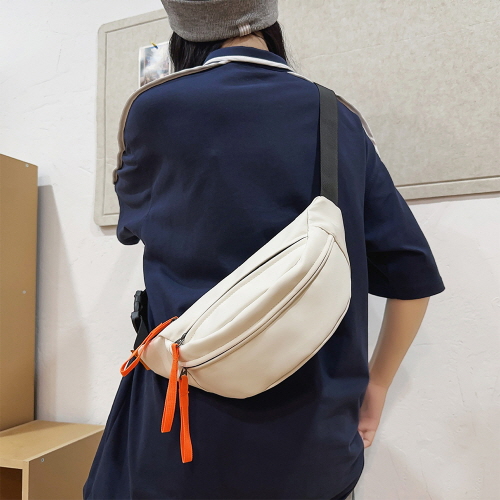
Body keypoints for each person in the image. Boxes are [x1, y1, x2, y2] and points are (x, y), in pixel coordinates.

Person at [83, 1, 445, 499]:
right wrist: (377, 386)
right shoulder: (337, 118)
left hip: (182, 435)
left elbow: (131, 224)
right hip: (313, 448)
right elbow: (412, 276)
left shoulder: (154, 108)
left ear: (182, 33)